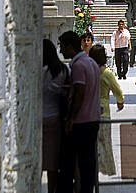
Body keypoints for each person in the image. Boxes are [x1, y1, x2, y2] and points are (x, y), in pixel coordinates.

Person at [56, 31, 101, 193]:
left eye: (62, 47)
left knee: (73, 160)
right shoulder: (91, 63)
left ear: (69, 46)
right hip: (93, 118)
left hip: (81, 121)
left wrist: (71, 117)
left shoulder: (78, 65)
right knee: (87, 160)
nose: (61, 51)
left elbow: (81, 92)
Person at [88, 44, 125, 176]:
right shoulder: (106, 73)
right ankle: (106, 167)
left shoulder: (88, 71)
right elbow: (117, 90)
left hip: (88, 111)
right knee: (105, 142)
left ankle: (93, 169)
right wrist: (120, 102)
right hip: (103, 111)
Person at [42, 40, 69, 193]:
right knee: (53, 161)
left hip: (38, 118)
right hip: (55, 117)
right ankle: (51, 190)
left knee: (37, 156)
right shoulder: (63, 70)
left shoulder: (39, 71)